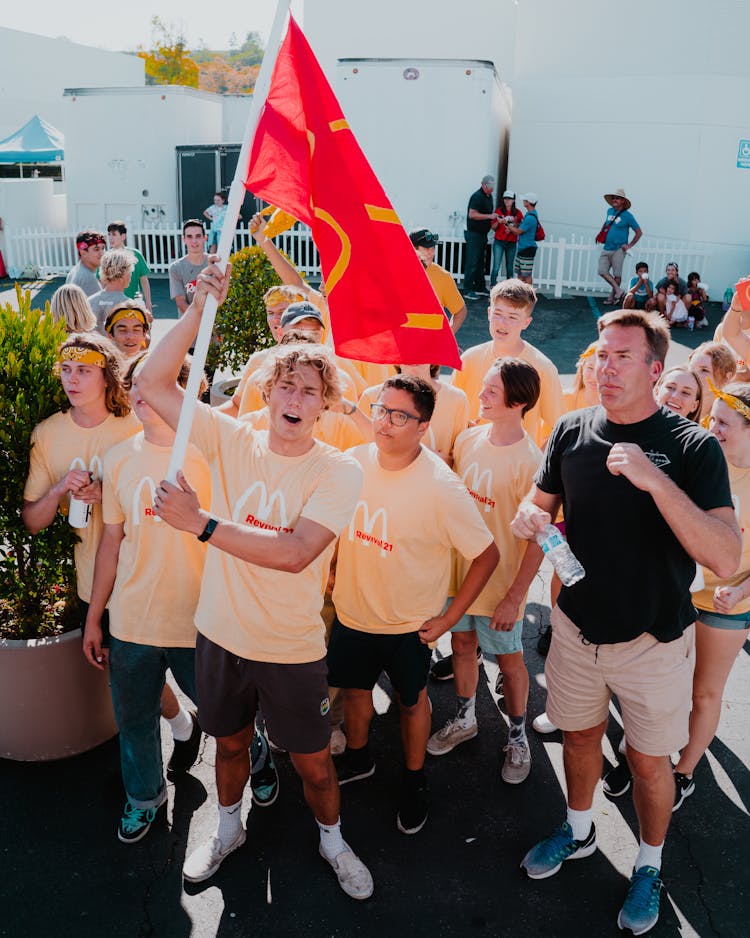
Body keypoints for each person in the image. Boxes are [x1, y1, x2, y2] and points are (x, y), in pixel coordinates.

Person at [135, 263, 374, 898]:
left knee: (315, 764)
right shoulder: (232, 436)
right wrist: (195, 313)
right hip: (220, 634)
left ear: (325, 405)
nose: (295, 401)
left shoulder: (340, 470)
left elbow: (297, 553)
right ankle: (230, 827)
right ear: (267, 391)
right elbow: (149, 380)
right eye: (286, 387)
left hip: (292, 647)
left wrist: (201, 524)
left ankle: (332, 839)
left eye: (309, 392)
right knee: (230, 748)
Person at [510, 308, 740, 935]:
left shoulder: (691, 447)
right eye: (599, 355)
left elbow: (724, 554)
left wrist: (652, 480)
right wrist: (530, 519)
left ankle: (649, 861)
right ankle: (579, 829)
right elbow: (541, 506)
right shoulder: (571, 429)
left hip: (653, 642)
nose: (603, 368)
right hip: (577, 632)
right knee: (580, 738)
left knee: (646, 763)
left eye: (621, 357)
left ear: (655, 368)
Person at [328, 374, 498, 834]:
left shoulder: (442, 486)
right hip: (352, 613)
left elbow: (486, 555)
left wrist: (450, 617)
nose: (384, 421)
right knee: (357, 693)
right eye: (382, 409)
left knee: (412, 702)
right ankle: (360, 758)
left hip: (410, 626)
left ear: (423, 427)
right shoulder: (352, 463)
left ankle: (414, 778)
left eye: (399, 415)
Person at [82, 355, 212, 843]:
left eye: (150, 385)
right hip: (132, 620)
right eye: (133, 386)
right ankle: (144, 798)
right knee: (134, 721)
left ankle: (258, 761)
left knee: (227, 714)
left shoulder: (210, 455)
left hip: (199, 620)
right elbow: (111, 543)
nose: (139, 396)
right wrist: (96, 617)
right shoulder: (118, 459)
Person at [427, 359, 543, 786]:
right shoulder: (469, 437)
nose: (481, 395)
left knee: (510, 662)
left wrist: (515, 595)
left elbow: (537, 540)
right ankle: (465, 718)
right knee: (461, 647)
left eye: (491, 391)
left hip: (499, 586)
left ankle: (517, 735)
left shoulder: (533, 462)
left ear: (518, 402)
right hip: (459, 575)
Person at [22, 332, 141, 635]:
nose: (71, 380)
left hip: (143, 577)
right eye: (66, 370)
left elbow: (160, 496)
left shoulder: (137, 426)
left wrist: (109, 492)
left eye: (84, 371)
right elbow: (33, 523)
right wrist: (58, 489)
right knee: (113, 676)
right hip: (91, 584)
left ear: (107, 377)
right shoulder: (46, 434)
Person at [672, 381, 750, 806]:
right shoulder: (701, 458)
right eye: (711, 417)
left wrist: (739, 592)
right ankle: (642, 756)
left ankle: (683, 771)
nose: (710, 426)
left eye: (723, 422)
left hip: (728, 604)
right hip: (677, 590)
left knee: (704, 691)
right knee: (663, 684)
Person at [451, 279, 565, 446]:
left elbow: (558, 427)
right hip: (470, 459)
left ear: (526, 322)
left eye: (513, 317)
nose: (503, 323)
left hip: (518, 467)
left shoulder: (542, 368)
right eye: (498, 314)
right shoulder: (469, 359)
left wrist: (536, 461)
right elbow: (452, 410)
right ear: (489, 313)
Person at [358, 364, 470, 466]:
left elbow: (459, 460)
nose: (414, 353)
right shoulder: (370, 396)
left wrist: (439, 460)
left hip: (433, 483)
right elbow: (359, 453)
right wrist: (419, 453)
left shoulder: (457, 399)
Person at [409, 228, 467, 333]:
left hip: (431, 344)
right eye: (426, 248)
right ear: (413, 248)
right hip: (402, 343)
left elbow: (460, 311)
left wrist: (447, 337)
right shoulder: (397, 272)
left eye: (432, 248)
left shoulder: (443, 276)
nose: (431, 252)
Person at [596, 189, 642, 305]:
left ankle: (611, 297)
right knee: (602, 271)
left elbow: (639, 232)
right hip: (607, 247)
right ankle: (619, 291)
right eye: (613, 198)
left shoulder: (628, 216)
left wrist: (629, 245)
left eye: (617, 198)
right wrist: (601, 233)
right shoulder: (609, 211)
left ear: (622, 201)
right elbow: (606, 223)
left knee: (617, 275)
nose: (614, 200)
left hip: (619, 250)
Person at [463, 175, 497, 299]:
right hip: (473, 233)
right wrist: (489, 216)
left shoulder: (489, 197)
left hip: (482, 234)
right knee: (472, 262)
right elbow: (472, 214)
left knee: (479, 262)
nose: (492, 189)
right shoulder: (477, 196)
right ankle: (467, 290)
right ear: (483, 185)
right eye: (490, 187)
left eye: (493, 186)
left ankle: (479, 287)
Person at [107, 221, 152, 312]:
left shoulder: (136, 254)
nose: (110, 238)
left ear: (123, 236)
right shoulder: (106, 258)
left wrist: (148, 302)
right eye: (109, 234)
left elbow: (144, 280)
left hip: (134, 303)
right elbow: (101, 284)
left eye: (114, 234)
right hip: (113, 305)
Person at [687, 341, 737, 423]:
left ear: (726, 378)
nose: (694, 375)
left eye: (704, 370)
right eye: (691, 368)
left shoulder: (733, 418)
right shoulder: (677, 403)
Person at [168, 220, 209, 316]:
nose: (194, 241)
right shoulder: (175, 268)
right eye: (189, 237)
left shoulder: (213, 264)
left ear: (205, 238)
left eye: (198, 236)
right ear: (184, 239)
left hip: (212, 324)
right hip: (188, 323)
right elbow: (181, 302)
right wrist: (199, 320)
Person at [88, 249, 135, 333]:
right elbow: (143, 342)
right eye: (130, 271)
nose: (131, 275)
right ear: (124, 274)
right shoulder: (129, 305)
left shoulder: (90, 301)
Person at [507, 193, 541, 286]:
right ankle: (520, 295)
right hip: (524, 248)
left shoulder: (530, 217)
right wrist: (514, 223)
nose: (523, 201)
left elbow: (518, 231)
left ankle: (529, 296)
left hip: (527, 248)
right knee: (520, 274)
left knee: (526, 275)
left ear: (528, 202)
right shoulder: (530, 215)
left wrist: (507, 224)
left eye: (525, 200)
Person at [490, 190, 523, 286]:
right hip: (499, 241)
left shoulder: (518, 213)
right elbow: (493, 227)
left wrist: (512, 227)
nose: (507, 201)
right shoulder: (499, 211)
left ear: (513, 200)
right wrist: (499, 222)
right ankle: (492, 286)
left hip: (511, 242)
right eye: (505, 198)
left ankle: (510, 288)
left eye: (509, 199)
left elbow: (521, 227)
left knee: (509, 267)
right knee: (496, 266)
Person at [66, 230, 106, 297]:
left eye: (103, 248)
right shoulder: (88, 279)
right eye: (96, 249)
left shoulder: (75, 271)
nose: (102, 253)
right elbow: (102, 306)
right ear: (83, 253)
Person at [563, 342, 599, 412]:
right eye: (590, 368)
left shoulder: (622, 404)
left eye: (601, 370)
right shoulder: (563, 399)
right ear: (582, 368)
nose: (594, 377)